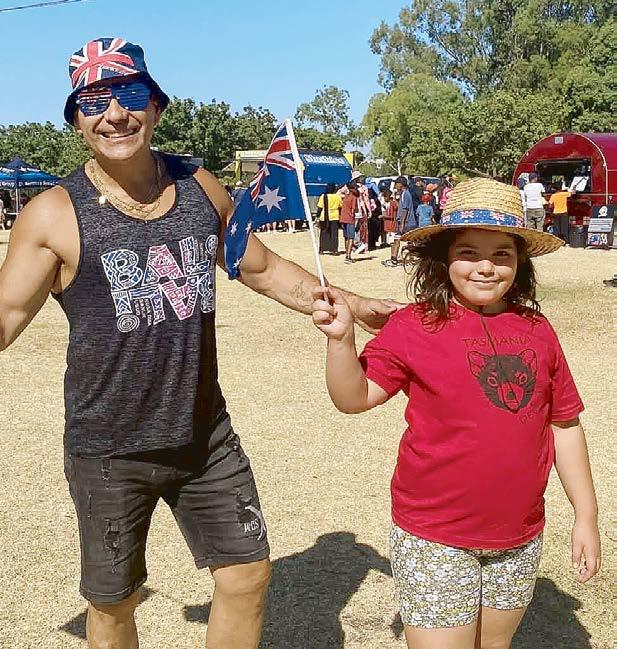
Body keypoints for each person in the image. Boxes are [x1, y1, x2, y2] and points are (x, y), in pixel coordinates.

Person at [0, 38, 401, 649]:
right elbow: (5, 318)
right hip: (109, 448)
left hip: (204, 434)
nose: (115, 114)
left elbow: (260, 267)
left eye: (129, 94)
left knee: (247, 576)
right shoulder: (52, 214)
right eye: (94, 102)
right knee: (113, 604)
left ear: (156, 106)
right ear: (77, 120)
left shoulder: (199, 186)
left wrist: (351, 300)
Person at [310, 178, 601, 649]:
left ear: (520, 261)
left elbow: (564, 425)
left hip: (518, 534)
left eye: (502, 254)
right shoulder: (413, 325)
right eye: (468, 252)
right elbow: (354, 397)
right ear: (443, 258)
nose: (485, 267)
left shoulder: (538, 329)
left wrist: (585, 515)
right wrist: (341, 341)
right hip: (434, 536)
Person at [382, 175, 415, 268]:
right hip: (407, 222)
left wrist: (402, 223)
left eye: (396, 184)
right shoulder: (404, 194)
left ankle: (394, 260)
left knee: (397, 240)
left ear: (401, 184)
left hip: (406, 222)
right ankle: (410, 259)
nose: (395, 186)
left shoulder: (405, 194)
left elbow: (405, 209)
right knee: (409, 241)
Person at [316, 182, 341, 254]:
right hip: (334, 217)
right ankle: (334, 249)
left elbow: (320, 208)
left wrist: (317, 216)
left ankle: (322, 249)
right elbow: (340, 206)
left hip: (324, 217)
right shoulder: (337, 197)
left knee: (324, 233)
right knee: (334, 234)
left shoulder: (323, 196)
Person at [340, 182, 359, 263]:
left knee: (346, 237)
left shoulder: (346, 197)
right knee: (351, 237)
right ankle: (348, 256)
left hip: (343, 218)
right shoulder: (354, 198)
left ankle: (346, 254)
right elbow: (354, 209)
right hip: (350, 219)